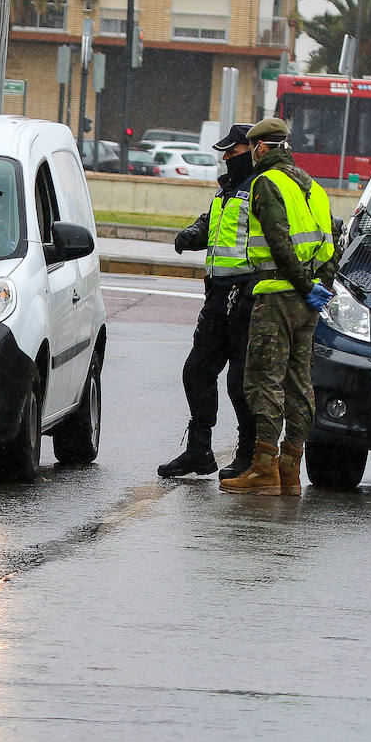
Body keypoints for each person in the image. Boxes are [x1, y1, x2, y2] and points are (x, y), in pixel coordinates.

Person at [220, 117, 335, 496]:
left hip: (277, 296)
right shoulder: (313, 187)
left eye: (254, 148)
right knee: (300, 383)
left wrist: (300, 285)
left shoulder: (267, 183)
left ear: (262, 148)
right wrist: (318, 289)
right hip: (308, 301)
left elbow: (280, 242)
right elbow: (331, 244)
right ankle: (291, 468)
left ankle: (264, 468)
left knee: (263, 380)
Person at [158, 122, 258, 480]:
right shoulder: (228, 190)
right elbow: (214, 223)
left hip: (249, 297)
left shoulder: (263, 188)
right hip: (218, 295)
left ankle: (250, 454)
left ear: (253, 149)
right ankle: (199, 450)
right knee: (197, 371)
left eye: (232, 152)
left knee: (241, 382)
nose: (227, 158)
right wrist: (192, 235)